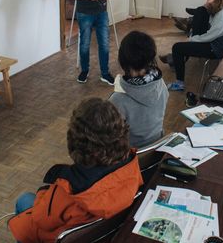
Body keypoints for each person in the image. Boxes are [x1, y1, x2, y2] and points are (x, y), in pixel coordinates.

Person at [8, 98, 143, 243]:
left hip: (62, 234)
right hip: (102, 232)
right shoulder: (132, 165)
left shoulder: (69, 190)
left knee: (24, 200)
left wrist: (44, 193)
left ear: (75, 140)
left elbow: (41, 220)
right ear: (120, 133)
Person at [166, 0, 223, 91]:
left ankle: (179, 83)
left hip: (218, 48)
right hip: (216, 42)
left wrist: (192, 39)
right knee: (201, 10)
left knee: (177, 48)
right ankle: (189, 30)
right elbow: (211, 28)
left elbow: (210, 36)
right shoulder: (220, 9)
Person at [109, 31, 168, 148]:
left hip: (133, 157)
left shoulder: (118, 100)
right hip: (158, 147)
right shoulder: (160, 83)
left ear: (123, 60)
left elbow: (111, 137)